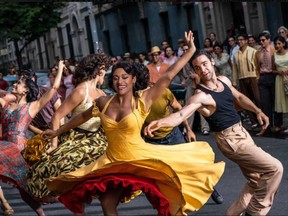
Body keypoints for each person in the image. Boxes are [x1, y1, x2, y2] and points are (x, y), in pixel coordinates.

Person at [42, 31, 225, 216]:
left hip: (140, 160)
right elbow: (81, 117)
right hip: (113, 162)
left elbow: (168, 76)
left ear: (133, 79)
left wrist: (190, 50)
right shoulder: (103, 102)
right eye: (115, 78)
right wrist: (57, 132)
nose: (120, 81)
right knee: (107, 204)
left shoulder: (143, 99)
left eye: (124, 77)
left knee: (167, 200)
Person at [145, 49, 283, 216]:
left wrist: (258, 110)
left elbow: (239, 97)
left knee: (256, 180)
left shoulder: (223, 80)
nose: (202, 69)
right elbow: (182, 113)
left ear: (212, 62)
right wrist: (160, 122)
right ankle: (254, 212)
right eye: (197, 68)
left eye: (204, 64)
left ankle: (232, 213)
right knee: (274, 168)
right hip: (231, 141)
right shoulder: (201, 96)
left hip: (242, 133)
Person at [26, 53, 110, 200]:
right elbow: (57, 116)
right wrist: (54, 144)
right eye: (105, 70)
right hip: (77, 137)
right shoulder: (80, 91)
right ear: (100, 70)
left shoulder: (101, 93)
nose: (106, 74)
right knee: (56, 167)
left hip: (98, 139)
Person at [0, 60, 65, 215]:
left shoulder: (32, 106)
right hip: (5, 147)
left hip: (19, 150)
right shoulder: (7, 105)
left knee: (26, 190)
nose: (15, 85)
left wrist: (61, 69)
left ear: (26, 91)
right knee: (24, 191)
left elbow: (54, 88)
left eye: (19, 84)